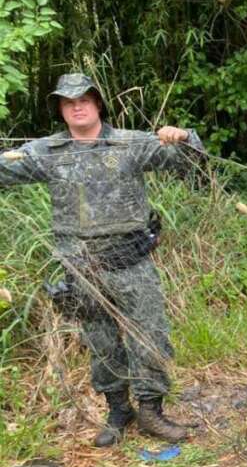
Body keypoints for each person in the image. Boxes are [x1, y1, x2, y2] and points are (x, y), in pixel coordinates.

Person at [0, 73, 204, 446]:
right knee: (101, 341)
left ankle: (150, 413)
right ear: (60, 109)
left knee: (151, 335)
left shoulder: (128, 143)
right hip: (81, 268)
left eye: (84, 99)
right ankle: (117, 410)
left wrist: (184, 137)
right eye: (68, 101)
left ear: (98, 104)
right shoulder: (46, 151)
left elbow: (190, 163)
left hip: (131, 261)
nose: (77, 106)